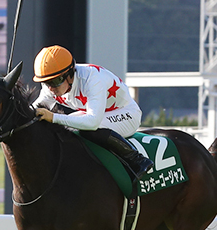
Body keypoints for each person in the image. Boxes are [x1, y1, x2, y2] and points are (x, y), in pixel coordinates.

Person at [31, 45, 153, 177]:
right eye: (46, 82)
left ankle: (137, 159)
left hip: (127, 114)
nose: (51, 88)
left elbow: (93, 122)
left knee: (88, 130)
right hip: (97, 114)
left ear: (70, 74)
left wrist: (54, 117)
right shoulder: (50, 88)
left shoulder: (92, 79)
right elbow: (33, 111)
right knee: (64, 130)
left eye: (55, 81)